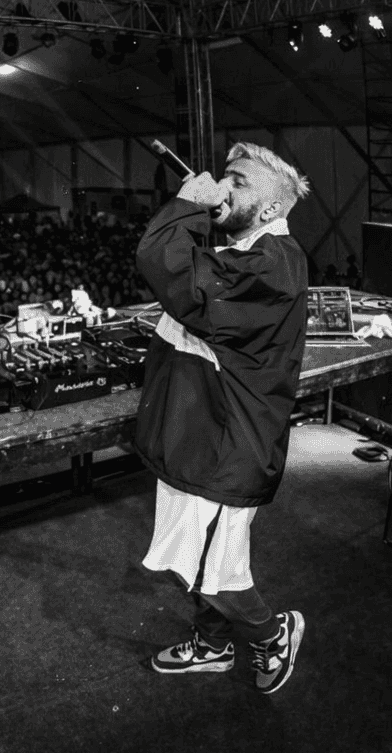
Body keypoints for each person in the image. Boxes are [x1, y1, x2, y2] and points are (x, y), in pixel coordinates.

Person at [133, 141, 311, 695]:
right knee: (199, 560)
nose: (222, 185)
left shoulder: (273, 265)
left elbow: (168, 267)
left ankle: (271, 634)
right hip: (202, 435)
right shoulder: (246, 256)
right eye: (224, 176)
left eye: (237, 181)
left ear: (268, 211)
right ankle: (211, 646)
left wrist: (187, 203)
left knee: (220, 576)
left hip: (226, 448)